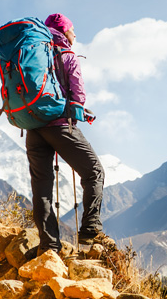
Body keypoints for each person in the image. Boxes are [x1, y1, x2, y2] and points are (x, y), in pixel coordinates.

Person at [25, 13, 105, 253]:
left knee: (42, 187)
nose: (75, 35)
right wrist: (79, 112)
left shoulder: (34, 54)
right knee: (94, 173)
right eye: (73, 30)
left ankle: (49, 245)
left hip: (33, 126)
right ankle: (90, 232)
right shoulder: (67, 54)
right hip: (60, 126)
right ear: (65, 31)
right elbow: (78, 96)